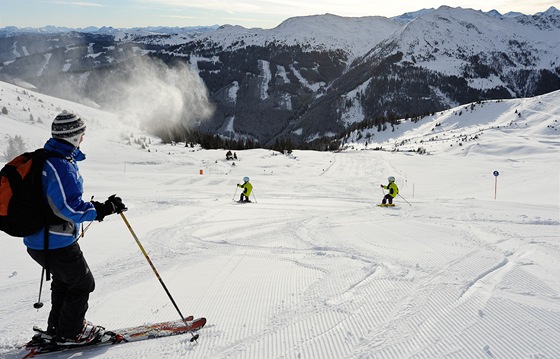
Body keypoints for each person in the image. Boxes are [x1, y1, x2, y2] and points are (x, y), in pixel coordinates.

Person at [24, 111, 127, 345]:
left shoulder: (48, 158)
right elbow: (68, 207)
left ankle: (58, 328)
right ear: (72, 136)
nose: (83, 138)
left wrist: (100, 208)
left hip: (41, 239)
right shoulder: (59, 165)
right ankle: (71, 332)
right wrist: (103, 209)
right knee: (82, 283)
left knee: (65, 281)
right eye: (81, 134)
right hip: (54, 241)